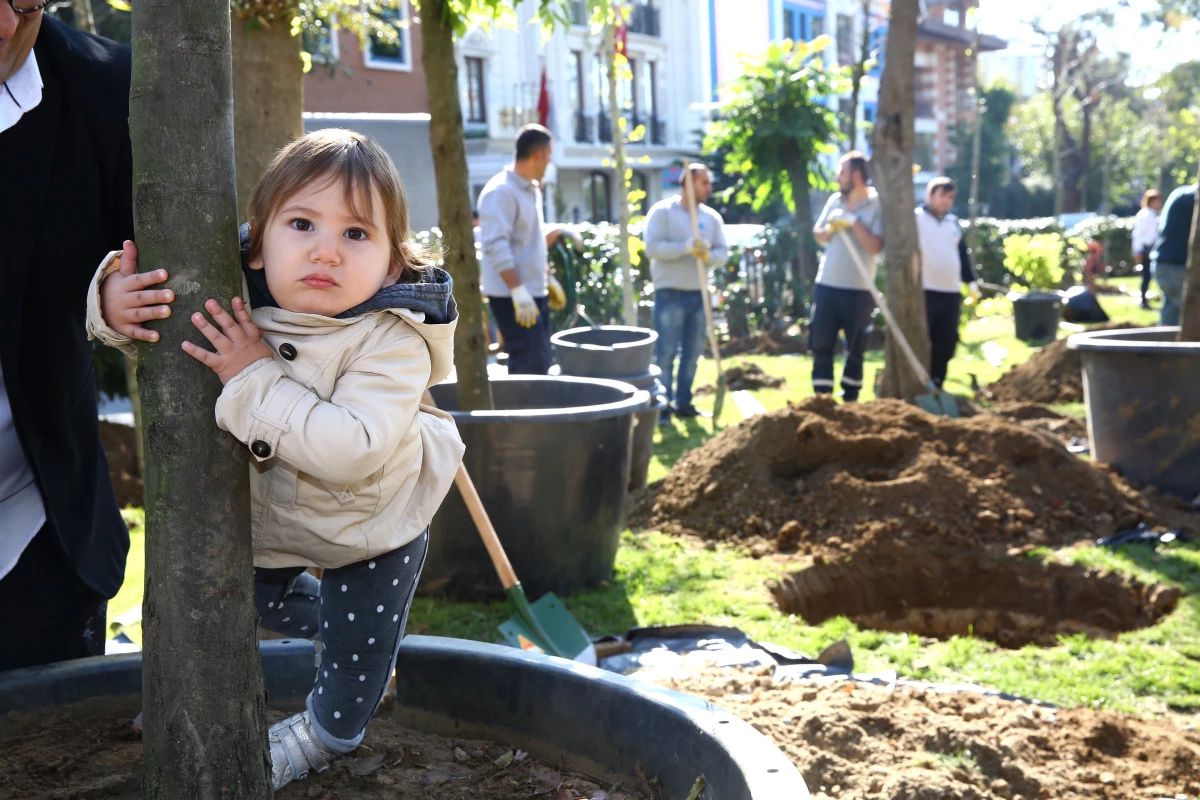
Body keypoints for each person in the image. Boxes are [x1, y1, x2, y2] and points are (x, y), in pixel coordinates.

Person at [88, 129, 466, 789]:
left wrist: (254, 375)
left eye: (357, 234)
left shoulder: (392, 342)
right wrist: (116, 308)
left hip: (374, 520)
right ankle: (196, 701)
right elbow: (165, 331)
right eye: (302, 223)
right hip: (264, 520)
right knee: (227, 605)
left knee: (357, 652)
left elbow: (352, 449)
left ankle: (329, 733)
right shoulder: (234, 293)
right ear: (258, 242)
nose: (325, 250)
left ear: (393, 266)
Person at [0, 2, 134, 671]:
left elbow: (167, 276)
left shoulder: (103, 90)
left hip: (39, 536)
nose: (3, 25)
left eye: (22, 1)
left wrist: (108, 299)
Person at [477, 124, 574, 374]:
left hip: (531, 291)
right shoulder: (500, 192)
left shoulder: (530, 190)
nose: (550, 161)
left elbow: (528, 240)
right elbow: (495, 245)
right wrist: (518, 290)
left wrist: (546, 277)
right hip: (512, 296)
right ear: (538, 155)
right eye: (550, 154)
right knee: (531, 364)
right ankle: (525, 414)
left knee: (539, 361)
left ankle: (532, 412)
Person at [643, 163, 729, 422]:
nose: (709, 188)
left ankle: (684, 403)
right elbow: (652, 248)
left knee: (692, 353)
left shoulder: (711, 218)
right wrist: (685, 247)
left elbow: (722, 253)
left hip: (699, 294)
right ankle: (662, 407)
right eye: (704, 183)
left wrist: (707, 255)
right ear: (688, 185)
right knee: (667, 353)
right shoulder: (662, 212)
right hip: (670, 292)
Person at [810, 151, 885, 401]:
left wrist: (853, 222)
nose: (837, 178)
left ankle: (850, 399)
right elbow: (818, 235)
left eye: (842, 172)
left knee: (855, 347)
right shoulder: (835, 201)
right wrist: (830, 227)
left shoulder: (877, 204)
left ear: (856, 174)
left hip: (859, 289)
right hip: (828, 284)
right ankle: (822, 399)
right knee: (821, 343)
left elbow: (875, 246)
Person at [916, 178, 979, 389]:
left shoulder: (953, 223)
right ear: (930, 195)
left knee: (947, 341)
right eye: (942, 195)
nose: (946, 201)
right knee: (925, 340)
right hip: (925, 291)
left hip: (951, 292)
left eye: (950, 197)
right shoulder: (916, 219)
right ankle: (922, 380)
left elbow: (962, 256)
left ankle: (938, 382)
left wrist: (971, 283)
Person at [1150, 183, 1196, 327]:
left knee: (1172, 311)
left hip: (1164, 264)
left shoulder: (1181, 193)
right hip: (1176, 266)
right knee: (1189, 311)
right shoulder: (1193, 199)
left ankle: (1165, 347)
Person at [1133, 189, 1163, 309]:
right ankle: (1143, 301)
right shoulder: (1145, 215)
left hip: (1153, 248)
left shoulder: (1153, 214)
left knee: (1151, 275)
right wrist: (1138, 250)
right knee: (1146, 276)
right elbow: (1138, 234)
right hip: (1146, 249)